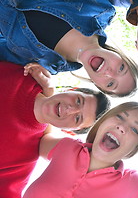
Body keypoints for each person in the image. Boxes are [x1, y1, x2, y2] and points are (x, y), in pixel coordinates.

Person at [0, 0, 138, 97]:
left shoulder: (43, 65)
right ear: (121, 56)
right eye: (121, 68)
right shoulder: (99, 8)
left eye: (110, 83)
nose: (110, 72)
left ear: (95, 83)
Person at [0, 61, 110, 198]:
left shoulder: (25, 159)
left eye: (77, 118)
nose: (70, 109)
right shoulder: (25, 73)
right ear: (72, 90)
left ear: (70, 131)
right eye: (78, 101)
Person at [23, 102, 138, 198]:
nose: (122, 127)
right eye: (120, 117)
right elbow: (38, 137)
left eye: (135, 129)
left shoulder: (132, 182)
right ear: (102, 123)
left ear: (132, 150)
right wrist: (48, 95)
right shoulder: (67, 147)